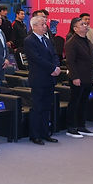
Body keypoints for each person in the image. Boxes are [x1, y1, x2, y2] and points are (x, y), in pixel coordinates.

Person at [23, 16, 61, 144]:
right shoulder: (29, 40)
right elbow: (37, 59)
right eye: (43, 24)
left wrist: (57, 66)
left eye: (45, 24)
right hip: (39, 78)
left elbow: (54, 54)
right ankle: (35, 135)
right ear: (34, 26)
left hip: (50, 78)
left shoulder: (47, 39)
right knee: (37, 107)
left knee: (47, 107)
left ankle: (45, 133)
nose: (45, 26)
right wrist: (52, 68)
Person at [63, 16, 93, 138]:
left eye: (85, 24)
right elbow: (70, 62)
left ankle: (81, 126)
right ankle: (71, 127)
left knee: (84, 102)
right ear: (75, 28)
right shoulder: (71, 42)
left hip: (88, 76)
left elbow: (92, 60)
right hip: (77, 77)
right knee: (75, 102)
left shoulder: (87, 41)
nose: (86, 25)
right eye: (82, 24)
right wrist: (74, 77)